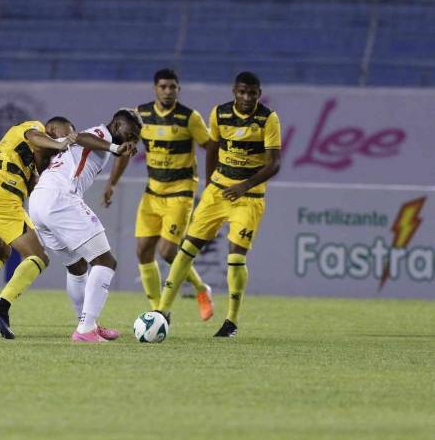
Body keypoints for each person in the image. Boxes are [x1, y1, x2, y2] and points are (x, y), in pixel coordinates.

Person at [157, 71, 282, 337]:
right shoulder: (219, 113)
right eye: (242, 92)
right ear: (234, 92)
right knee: (186, 249)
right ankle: (162, 310)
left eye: (252, 93)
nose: (246, 97)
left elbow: (275, 164)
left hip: (249, 197)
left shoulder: (267, 119)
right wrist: (209, 186)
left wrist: (244, 186)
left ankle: (231, 321)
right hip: (218, 192)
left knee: (235, 257)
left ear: (259, 94)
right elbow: (212, 149)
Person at [103, 68, 215, 321]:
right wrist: (112, 183)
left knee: (166, 251)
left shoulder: (189, 117)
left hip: (180, 192)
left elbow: (211, 147)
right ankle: (157, 309)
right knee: (143, 251)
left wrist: (212, 182)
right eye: (163, 87)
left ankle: (200, 289)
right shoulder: (141, 115)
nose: (167, 91)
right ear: (155, 89)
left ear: (178, 89)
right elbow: (126, 150)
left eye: (172, 87)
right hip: (153, 192)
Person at [0, 118, 75, 339]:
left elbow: (34, 183)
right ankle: (1, 306)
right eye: (63, 134)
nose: (64, 143)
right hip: (1, 195)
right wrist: (60, 143)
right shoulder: (34, 128)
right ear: (53, 129)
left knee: (0, 253)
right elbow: (35, 137)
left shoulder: (25, 158)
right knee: (39, 256)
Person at [29, 109, 141, 342]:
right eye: (132, 132)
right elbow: (80, 137)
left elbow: (118, 154)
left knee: (77, 266)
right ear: (117, 125)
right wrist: (115, 148)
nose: (134, 138)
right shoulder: (100, 133)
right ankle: (86, 329)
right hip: (61, 198)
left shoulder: (110, 144)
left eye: (137, 136)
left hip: (39, 201)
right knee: (105, 261)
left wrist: (112, 183)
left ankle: (87, 323)